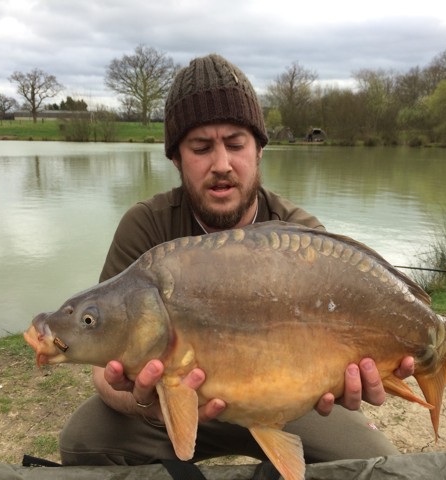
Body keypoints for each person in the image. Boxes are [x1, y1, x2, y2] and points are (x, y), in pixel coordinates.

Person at [59, 53, 414, 467]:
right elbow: (103, 373)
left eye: (235, 143)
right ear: (176, 158)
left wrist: (355, 378)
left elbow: (350, 340)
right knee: (83, 442)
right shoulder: (146, 227)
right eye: (201, 147)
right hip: (172, 397)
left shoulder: (303, 238)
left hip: (288, 403)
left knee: (377, 465)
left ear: (260, 150)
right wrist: (150, 405)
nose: (222, 164)